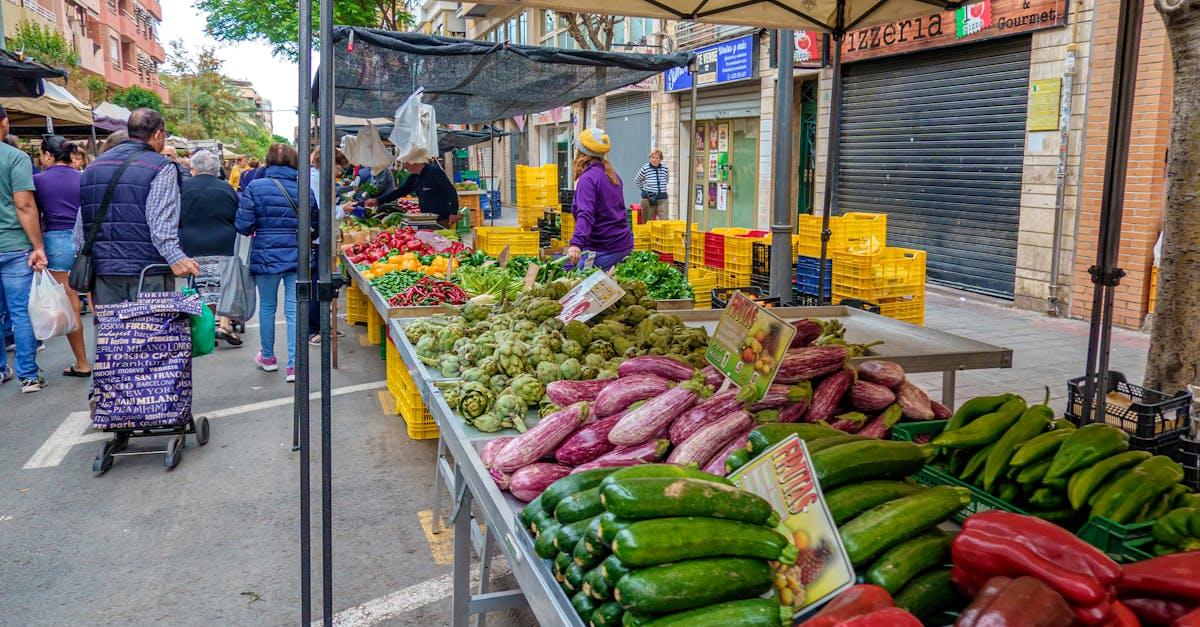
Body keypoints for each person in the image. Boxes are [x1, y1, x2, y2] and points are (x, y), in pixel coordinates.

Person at [74, 108, 199, 309]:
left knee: (111, 336)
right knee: (151, 335)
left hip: (104, 270)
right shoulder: (161, 167)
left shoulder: (93, 167)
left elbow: (81, 229)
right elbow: (161, 225)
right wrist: (176, 258)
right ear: (158, 134)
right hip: (148, 270)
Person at [236, 143, 318, 383]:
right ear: (294, 162)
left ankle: (269, 358)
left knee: (268, 307)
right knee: (294, 311)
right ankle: (294, 366)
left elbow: (243, 225)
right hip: (297, 256)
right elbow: (315, 225)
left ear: (268, 161)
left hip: (266, 256)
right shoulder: (304, 189)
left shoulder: (255, 188)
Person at [34, 135, 91, 377]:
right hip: (87, 239)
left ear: (48, 155)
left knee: (70, 303)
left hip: (56, 241)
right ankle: (111, 355)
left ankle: (82, 362)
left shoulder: (38, 180)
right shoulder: (84, 178)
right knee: (97, 296)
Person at [0, 105, 45, 391]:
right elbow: (24, 204)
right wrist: (38, 245)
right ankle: (28, 375)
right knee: (21, 312)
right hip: (15, 245)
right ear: (4, 123)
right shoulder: (15, 157)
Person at [181, 149, 242, 347]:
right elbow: (236, 216)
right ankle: (223, 325)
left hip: (192, 244)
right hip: (222, 243)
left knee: (200, 286)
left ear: (194, 168)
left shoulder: (183, 187)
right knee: (221, 284)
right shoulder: (226, 189)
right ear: (216, 170)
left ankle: (205, 329)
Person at [567, 128, 633, 271]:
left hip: (603, 249)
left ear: (581, 152)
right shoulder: (612, 175)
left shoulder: (588, 179)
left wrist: (576, 243)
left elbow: (585, 213)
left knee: (585, 291)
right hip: (622, 244)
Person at [367, 160, 459, 229]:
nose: (405, 166)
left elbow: (450, 191)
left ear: (413, 162)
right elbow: (400, 192)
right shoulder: (414, 177)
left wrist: (453, 212)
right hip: (426, 219)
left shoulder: (434, 172)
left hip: (441, 219)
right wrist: (378, 201)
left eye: (406, 163)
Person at [634, 148, 669, 222]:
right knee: (648, 222)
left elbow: (666, 180)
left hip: (662, 199)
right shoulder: (645, 168)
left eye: (657, 158)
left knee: (665, 222)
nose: (654, 159)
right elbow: (637, 180)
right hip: (649, 199)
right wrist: (645, 190)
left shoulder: (665, 169)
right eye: (652, 157)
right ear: (650, 158)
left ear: (660, 159)